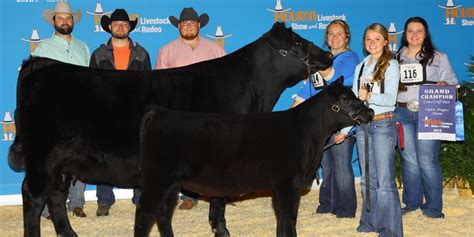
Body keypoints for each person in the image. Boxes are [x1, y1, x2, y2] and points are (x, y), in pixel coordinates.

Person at [155, 7, 226, 210]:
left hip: (209, 111)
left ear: (199, 25)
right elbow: (160, 85)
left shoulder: (215, 50)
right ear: (178, 26)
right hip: (180, 111)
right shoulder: (166, 51)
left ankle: (215, 193)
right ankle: (188, 195)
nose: (188, 26)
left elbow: (226, 78)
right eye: (184, 23)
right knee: (182, 154)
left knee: (210, 152)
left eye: (192, 23)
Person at [290, 20, 359, 218]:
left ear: (347, 37)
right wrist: (287, 117)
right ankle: (327, 203)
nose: (334, 38)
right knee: (326, 164)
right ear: (326, 37)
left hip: (341, 119)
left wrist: (320, 64)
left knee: (342, 165)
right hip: (322, 122)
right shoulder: (323, 60)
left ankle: (346, 208)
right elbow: (307, 90)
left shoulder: (349, 58)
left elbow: (334, 80)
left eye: (339, 34)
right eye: (330, 34)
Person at [339, 23, 402, 236]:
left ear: (386, 41)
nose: (372, 43)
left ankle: (391, 230)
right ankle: (370, 222)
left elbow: (390, 99)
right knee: (367, 180)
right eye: (368, 39)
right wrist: (346, 130)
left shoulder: (391, 65)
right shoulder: (361, 67)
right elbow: (357, 105)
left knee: (384, 182)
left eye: (377, 39)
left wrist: (370, 96)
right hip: (363, 126)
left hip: (383, 124)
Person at [89, 8, 152, 216]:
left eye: (124, 24)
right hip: (107, 113)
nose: (120, 27)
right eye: (116, 24)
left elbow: (148, 85)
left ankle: (141, 197)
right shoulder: (98, 54)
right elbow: (93, 86)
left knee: (140, 155)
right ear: (109, 27)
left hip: (135, 112)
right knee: (104, 156)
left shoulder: (142, 53)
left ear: (129, 28)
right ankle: (104, 200)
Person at [395, 16, 457, 219]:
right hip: (402, 112)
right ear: (405, 34)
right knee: (409, 160)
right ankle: (412, 203)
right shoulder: (395, 58)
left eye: (419, 30)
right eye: (410, 30)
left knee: (428, 161)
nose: (414, 35)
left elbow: (453, 84)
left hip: (430, 112)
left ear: (425, 34)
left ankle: (433, 208)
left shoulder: (439, 57)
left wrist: (444, 86)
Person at [34, 2, 90, 218]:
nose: (65, 21)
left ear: (73, 21)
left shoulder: (83, 47)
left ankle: (77, 202)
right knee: (53, 160)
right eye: (61, 18)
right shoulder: (43, 49)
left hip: (80, 112)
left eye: (69, 18)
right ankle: (50, 207)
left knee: (80, 156)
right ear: (53, 21)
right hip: (54, 114)